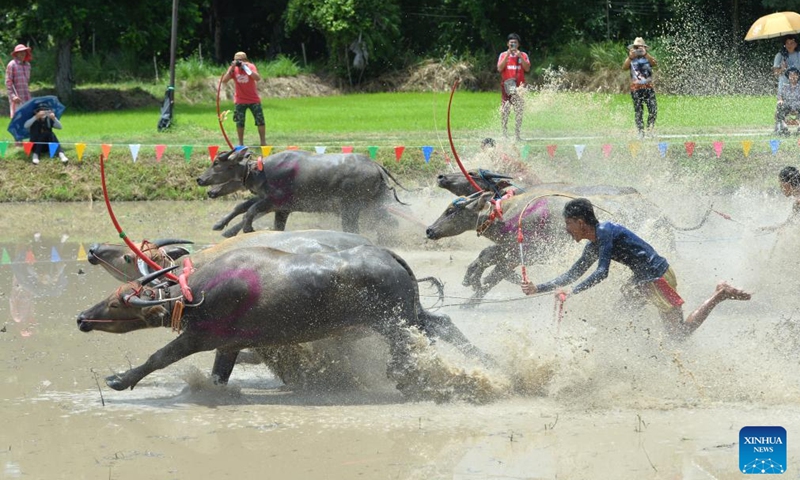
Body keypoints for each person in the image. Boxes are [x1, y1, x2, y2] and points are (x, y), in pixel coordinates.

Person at [521, 198, 751, 338]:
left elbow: (602, 273)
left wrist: (572, 292)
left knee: (678, 334)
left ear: (580, 222)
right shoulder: (593, 244)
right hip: (642, 280)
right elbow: (573, 273)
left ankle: (720, 294)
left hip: (657, 277)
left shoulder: (604, 232)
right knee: (617, 319)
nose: (567, 229)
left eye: (568, 224)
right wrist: (537, 288)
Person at [221, 51, 266, 147]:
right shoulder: (233, 68)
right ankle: (241, 143)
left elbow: (257, 78)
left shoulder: (250, 66)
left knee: (260, 120)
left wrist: (246, 68)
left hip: (253, 99)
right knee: (239, 122)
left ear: (245, 60)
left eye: (240, 60)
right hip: (240, 100)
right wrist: (232, 68)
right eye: (236, 60)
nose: (238, 62)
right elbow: (224, 80)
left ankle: (263, 142)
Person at [496, 33, 530, 142]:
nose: (513, 45)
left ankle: (517, 134)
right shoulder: (503, 55)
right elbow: (499, 68)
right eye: (511, 43)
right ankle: (504, 133)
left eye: (515, 43)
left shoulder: (523, 55)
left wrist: (519, 56)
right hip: (507, 86)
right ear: (507, 44)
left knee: (519, 110)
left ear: (518, 44)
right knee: (505, 109)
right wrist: (507, 55)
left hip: (519, 87)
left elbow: (527, 68)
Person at [623, 37, 657, 139]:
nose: (638, 49)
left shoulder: (648, 57)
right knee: (639, 111)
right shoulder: (631, 58)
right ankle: (640, 132)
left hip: (648, 88)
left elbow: (654, 63)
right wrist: (630, 57)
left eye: (640, 47)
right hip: (636, 89)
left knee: (653, 110)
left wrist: (645, 53)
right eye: (636, 47)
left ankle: (650, 130)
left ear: (644, 47)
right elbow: (624, 68)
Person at [5, 44, 32, 118]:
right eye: (20, 52)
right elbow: (8, 83)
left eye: (24, 51)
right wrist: (13, 96)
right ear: (16, 54)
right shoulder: (12, 65)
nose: (22, 53)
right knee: (18, 120)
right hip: (17, 98)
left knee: (28, 120)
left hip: (26, 96)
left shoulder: (28, 65)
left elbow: (26, 82)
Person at [775, 67, 800, 135]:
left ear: (798, 76)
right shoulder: (784, 87)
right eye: (791, 75)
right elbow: (780, 96)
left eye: (795, 74)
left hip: (798, 106)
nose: (793, 77)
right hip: (787, 106)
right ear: (788, 77)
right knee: (779, 106)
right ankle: (783, 127)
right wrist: (780, 100)